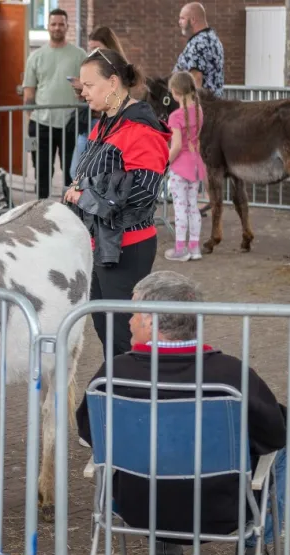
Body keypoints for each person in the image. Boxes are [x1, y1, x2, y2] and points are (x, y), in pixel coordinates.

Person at [76, 271, 289, 555]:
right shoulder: (231, 376)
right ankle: (252, 551)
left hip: (139, 509)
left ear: (151, 320)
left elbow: (89, 433)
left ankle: (164, 548)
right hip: (221, 511)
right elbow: (274, 434)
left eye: (134, 313)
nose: (129, 321)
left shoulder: (113, 376)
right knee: (281, 444)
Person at [65, 48, 170, 358]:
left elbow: (144, 191)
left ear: (112, 83)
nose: (83, 93)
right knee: (106, 329)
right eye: (81, 86)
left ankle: (136, 395)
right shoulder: (108, 122)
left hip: (127, 245)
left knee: (123, 335)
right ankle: (123, 392)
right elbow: (90, 173)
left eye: (89, 85)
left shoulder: (140, 128)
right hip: (102, 243)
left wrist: (86, 195)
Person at [23, 8, 86, 199]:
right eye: (53, 24)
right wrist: (31, 121)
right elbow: (29, 93)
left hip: (70, 124)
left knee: (71, 171)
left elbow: (88, 88)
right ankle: (41, 210)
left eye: (61, 24)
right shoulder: (35, 56)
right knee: (41, 171)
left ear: (67, 26)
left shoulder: (79, 55)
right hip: (41, 125)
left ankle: (68, 213)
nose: (57, 27)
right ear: (48, 26)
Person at [69, 26, 126, 177]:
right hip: (90, 124)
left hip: (107, 127)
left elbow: (114, 98)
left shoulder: (117, 70)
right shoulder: (94, 68)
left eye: (97, 48)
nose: (93, 53)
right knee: (76, 171)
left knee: (95, 173)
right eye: (91, 49)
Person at [164, 71, 206, 263]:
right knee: (193, 208)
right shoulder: (199, 111)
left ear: (175, 92)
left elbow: (177, 146)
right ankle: (194, 247)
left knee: (180, 209)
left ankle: (181, 249)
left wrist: (165, 162)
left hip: (180, 167)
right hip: (196, 165)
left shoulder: (175, 116)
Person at [174, 2, 224, 98]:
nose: (179, 22)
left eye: (182, 18)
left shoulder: (198, 43)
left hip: (200, 107)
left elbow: (196, 78)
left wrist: (193, 108)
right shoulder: (213, 38)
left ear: (193, 20)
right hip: (214, 105)